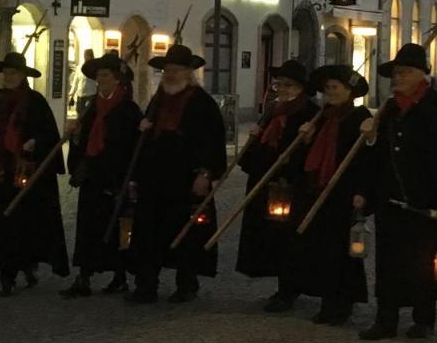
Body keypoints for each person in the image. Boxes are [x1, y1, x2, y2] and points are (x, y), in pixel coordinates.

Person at [358, 43, 437, 340]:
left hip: (425, 201)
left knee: (423, 261)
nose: (398, 78)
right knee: (388, 262)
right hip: (390, 199)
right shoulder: (389, 109)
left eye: (404, 72)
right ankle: (386, 318)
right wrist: (369, 140)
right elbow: (376, 154)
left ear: (420, 74)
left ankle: (423, 318)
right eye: (396, 73)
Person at [127, 44, 227, 304]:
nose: (170, 75)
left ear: (188, 72)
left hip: (186, 178)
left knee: (187, 232)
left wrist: (205, 174)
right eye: (167, 70)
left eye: (176, 70)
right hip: (154, 179)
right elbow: (145, 143)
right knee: (148, 231)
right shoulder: (158, 100)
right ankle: (146, 284)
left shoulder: (202, 103)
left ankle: (186, 284)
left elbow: (213, 142)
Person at [0, 51, 70, 296]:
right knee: (3, 227)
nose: (9, 77)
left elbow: (49, 134)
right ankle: (7, 274)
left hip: (26, 176)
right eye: (6, 73)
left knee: (25, 227)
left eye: (13, 73)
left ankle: (25, 266)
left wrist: (35, 141)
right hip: (1, 174)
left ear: (23, 75)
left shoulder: (35, 101)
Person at [286, 64, 372, 325]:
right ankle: (327, 300)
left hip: (343, 194)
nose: (329, 93)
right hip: (318, 191)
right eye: (326, 89)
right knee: (322, 250)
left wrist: (362, 192)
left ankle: (343, 302)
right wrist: (306, 139)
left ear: (349, 91)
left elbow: (368, 161)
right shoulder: (322, 117)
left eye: (335, 88)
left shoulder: (361, 118)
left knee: (342, 252)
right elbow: (304, 160)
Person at [235, 59, 320, 312]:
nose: (282, 88)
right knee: (269, 235)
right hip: (265, 182)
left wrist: (302, 148)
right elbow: (260, 147)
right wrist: (253, 143)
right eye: (279, 84)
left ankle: (289, 288)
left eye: (288, 84)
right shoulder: (272, 110)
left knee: (289, 238)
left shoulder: (310, 113)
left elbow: (311, 155)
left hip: (289, 185)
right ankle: (281, 285)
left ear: (300, 88)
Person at [61, 51, 141, 298]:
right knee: (87, 226)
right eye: (98, 76)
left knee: (115, 227)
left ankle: (120, 276)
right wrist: (74, 136)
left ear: (117, 79)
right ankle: (83, 277)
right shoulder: (90, 107)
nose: (101, 80)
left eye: (105, 75)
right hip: (92, 176)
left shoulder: (129, 109)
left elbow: (134, 146)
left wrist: (131, 180)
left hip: (116, 177)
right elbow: (82, 142)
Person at [69, 48, 97, 119]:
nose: (86, 57)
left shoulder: (95, 67)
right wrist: (71, 93)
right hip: (80, 94)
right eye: (85, 55)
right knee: (79, 112)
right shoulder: (80, 67)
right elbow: (76, 81)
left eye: (88, 55)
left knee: (88, 113)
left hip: (91, 94)